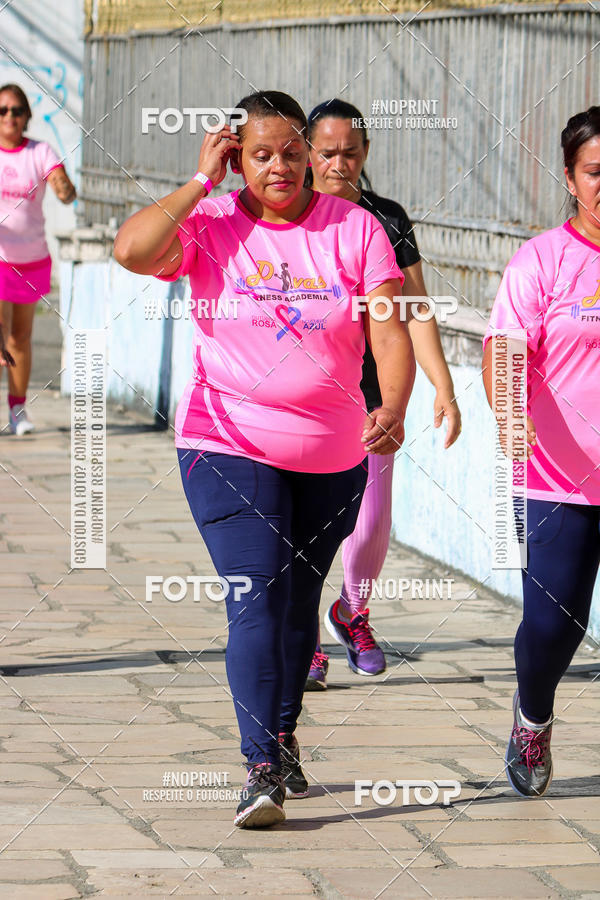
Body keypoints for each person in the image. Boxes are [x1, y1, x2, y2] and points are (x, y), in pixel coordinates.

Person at [113, 91, 416, 827]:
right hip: (226, 444)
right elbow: (131, 250)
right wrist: (196, 183)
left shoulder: (356, 229)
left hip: (332, 454)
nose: (278, 165)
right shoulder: (210, 224)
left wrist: (395, 406)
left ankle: (282, 740)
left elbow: (389, 331)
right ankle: (258, 767)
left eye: (290, 151)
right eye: (260, 153)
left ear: (311, 156)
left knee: (295, 600)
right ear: (235, 157)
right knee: (255, 590)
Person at [304, 99, 461, 689]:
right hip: (310, 395)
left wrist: (443, 387)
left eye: (350, 152)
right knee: (308, 524)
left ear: (366, 153)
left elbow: (417, 308)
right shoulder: (291, 215)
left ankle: (352, 612)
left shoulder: (388, 220)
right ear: (307, 152)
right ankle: (306, 638)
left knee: (369, 522)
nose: (338, 164)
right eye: (327, 152)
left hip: (377, 394)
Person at [483, 105, 600, 798]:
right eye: (596, 171)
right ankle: (534, 716)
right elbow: (504, 350)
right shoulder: (544, 261)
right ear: (570, 177)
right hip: (559, 481)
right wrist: (509, 416)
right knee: (556, 624)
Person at [0, 84, 76, 434]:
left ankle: (17, 411)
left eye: (16, 110)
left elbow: (60, 184)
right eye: (3, 111)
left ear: (27, 116)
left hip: (31, 259)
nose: (10, 117)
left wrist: (63, 185)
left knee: (19, 337)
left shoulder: (39, 151)